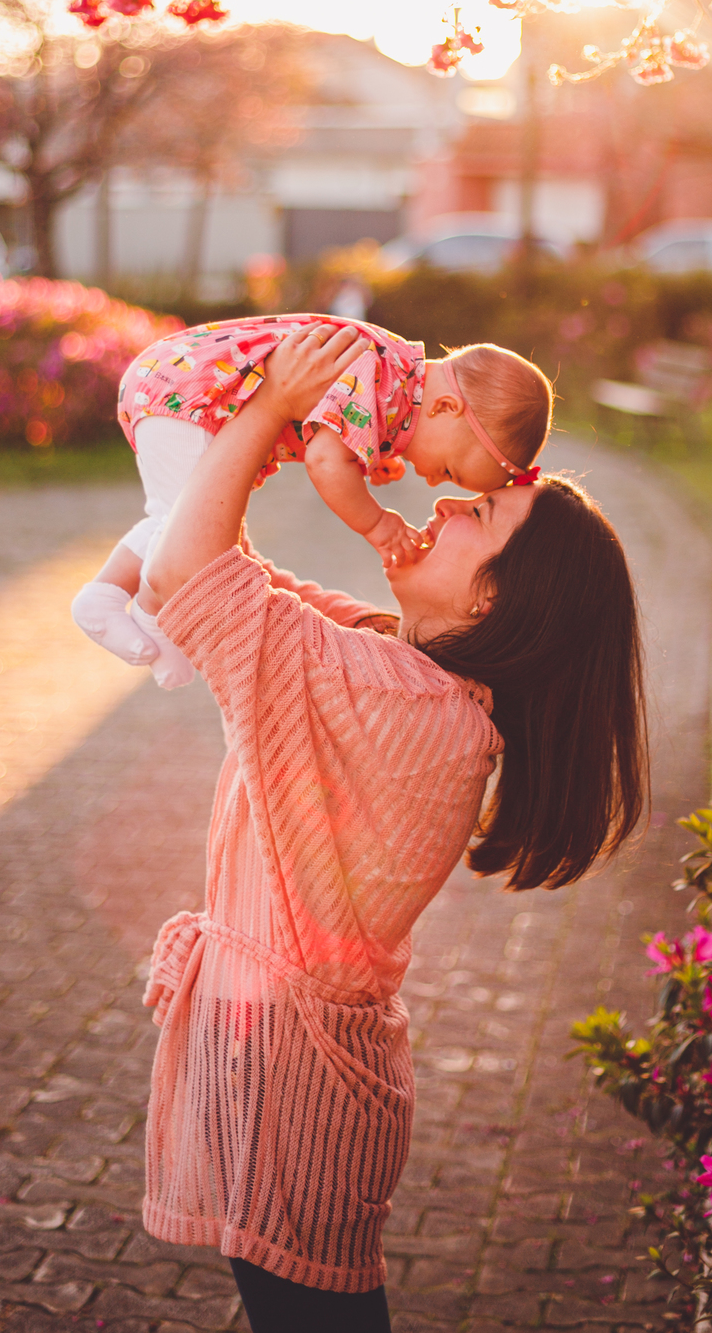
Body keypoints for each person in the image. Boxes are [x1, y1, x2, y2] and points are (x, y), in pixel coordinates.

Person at [137, 323, 648, 1333]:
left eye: (481, 511)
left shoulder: (403, 703)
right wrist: (278, 423)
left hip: (293, 1086)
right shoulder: (407, 673)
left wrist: (270, 403)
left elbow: (188, 573)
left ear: (503, 599)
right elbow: (236, 576)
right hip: (287, 1066)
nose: (446, 498)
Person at [71, 313, 552, 689]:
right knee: (177, 523)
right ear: (445, 408)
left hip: (181, 388)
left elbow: (331, 430)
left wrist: (369, 450)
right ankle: (153, 618)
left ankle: (108, 595)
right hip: (192, 395)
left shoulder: (393, 380)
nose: (433, 485)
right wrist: (377, 525)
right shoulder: (379, 372)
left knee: (174, 516)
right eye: (449, 472)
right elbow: (325, 461)